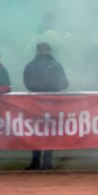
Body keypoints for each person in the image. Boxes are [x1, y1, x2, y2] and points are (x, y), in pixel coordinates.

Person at [20, 42, 69, 170]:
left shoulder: (31, 65)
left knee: (36, 132)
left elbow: (28, 84)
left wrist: (39, 89)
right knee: (49, 132)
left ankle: (37, 161)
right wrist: (52, 88)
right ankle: (47, 161)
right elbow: (64, 83)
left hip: (36, 103)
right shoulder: (56, 65)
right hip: (51, 103)